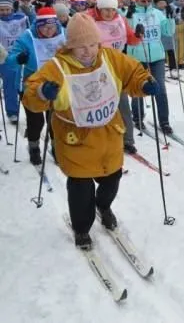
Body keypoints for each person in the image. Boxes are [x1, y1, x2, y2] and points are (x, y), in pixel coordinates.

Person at [22, 13, 157, 249]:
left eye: (92, 45)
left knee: (112, 178)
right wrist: (43, 92)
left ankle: (103, 205)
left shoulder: (110, 58)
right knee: (81, 189)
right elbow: (31, 92)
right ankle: (82, 228)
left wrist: (144, 83)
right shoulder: (58, 66)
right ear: (70, 46)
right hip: (76, 139)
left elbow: (132, 73)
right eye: (80, 47)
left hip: (108, 135)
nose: (87, 51)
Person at [8, 7, 66, 164]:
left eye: (52, 27)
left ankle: (56, 147)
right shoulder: (26, 37)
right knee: (36, 121)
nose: (48, 31)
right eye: (44, 27)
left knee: (55, 119)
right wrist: (19, 58)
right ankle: (34, 147)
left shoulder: (62, 34)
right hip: (31, 84)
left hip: (56, 83)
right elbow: (10, 60)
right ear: (37, 25)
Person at [88, 0, 142, 154]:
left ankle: (128, 140)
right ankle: (100, 140)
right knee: (99, 106)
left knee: (123, 105)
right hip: (96, 70)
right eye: (106, 10)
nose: (110, 13)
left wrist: (138, 35)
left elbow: (131, 40)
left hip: (117, 68)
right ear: (99, 7)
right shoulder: (89, 20)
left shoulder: (120, 19)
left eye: (112, 9)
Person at [125, 0, 174, 135]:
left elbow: (168, 32)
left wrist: (170, 17)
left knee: (160, 87)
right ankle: (138, 117)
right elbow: (125, 31)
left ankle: (164, 121)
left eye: (148, 1)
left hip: (157, 56)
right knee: (138, 87)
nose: (146, 3)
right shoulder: (132, 13)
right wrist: (128, 16)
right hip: (138, 56)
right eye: (143, 1)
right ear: (137, 0)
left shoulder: (157, 13)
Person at [0, 0, 30, 124]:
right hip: (2, 54)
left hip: (16, 56)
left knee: (13, 84)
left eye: (7, 9)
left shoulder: (21, 19)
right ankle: (11, 110)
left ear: (12, 9)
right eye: (1, 9)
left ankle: (13, 111)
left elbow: (28, 33)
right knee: (8, 84)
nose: (5, 12)